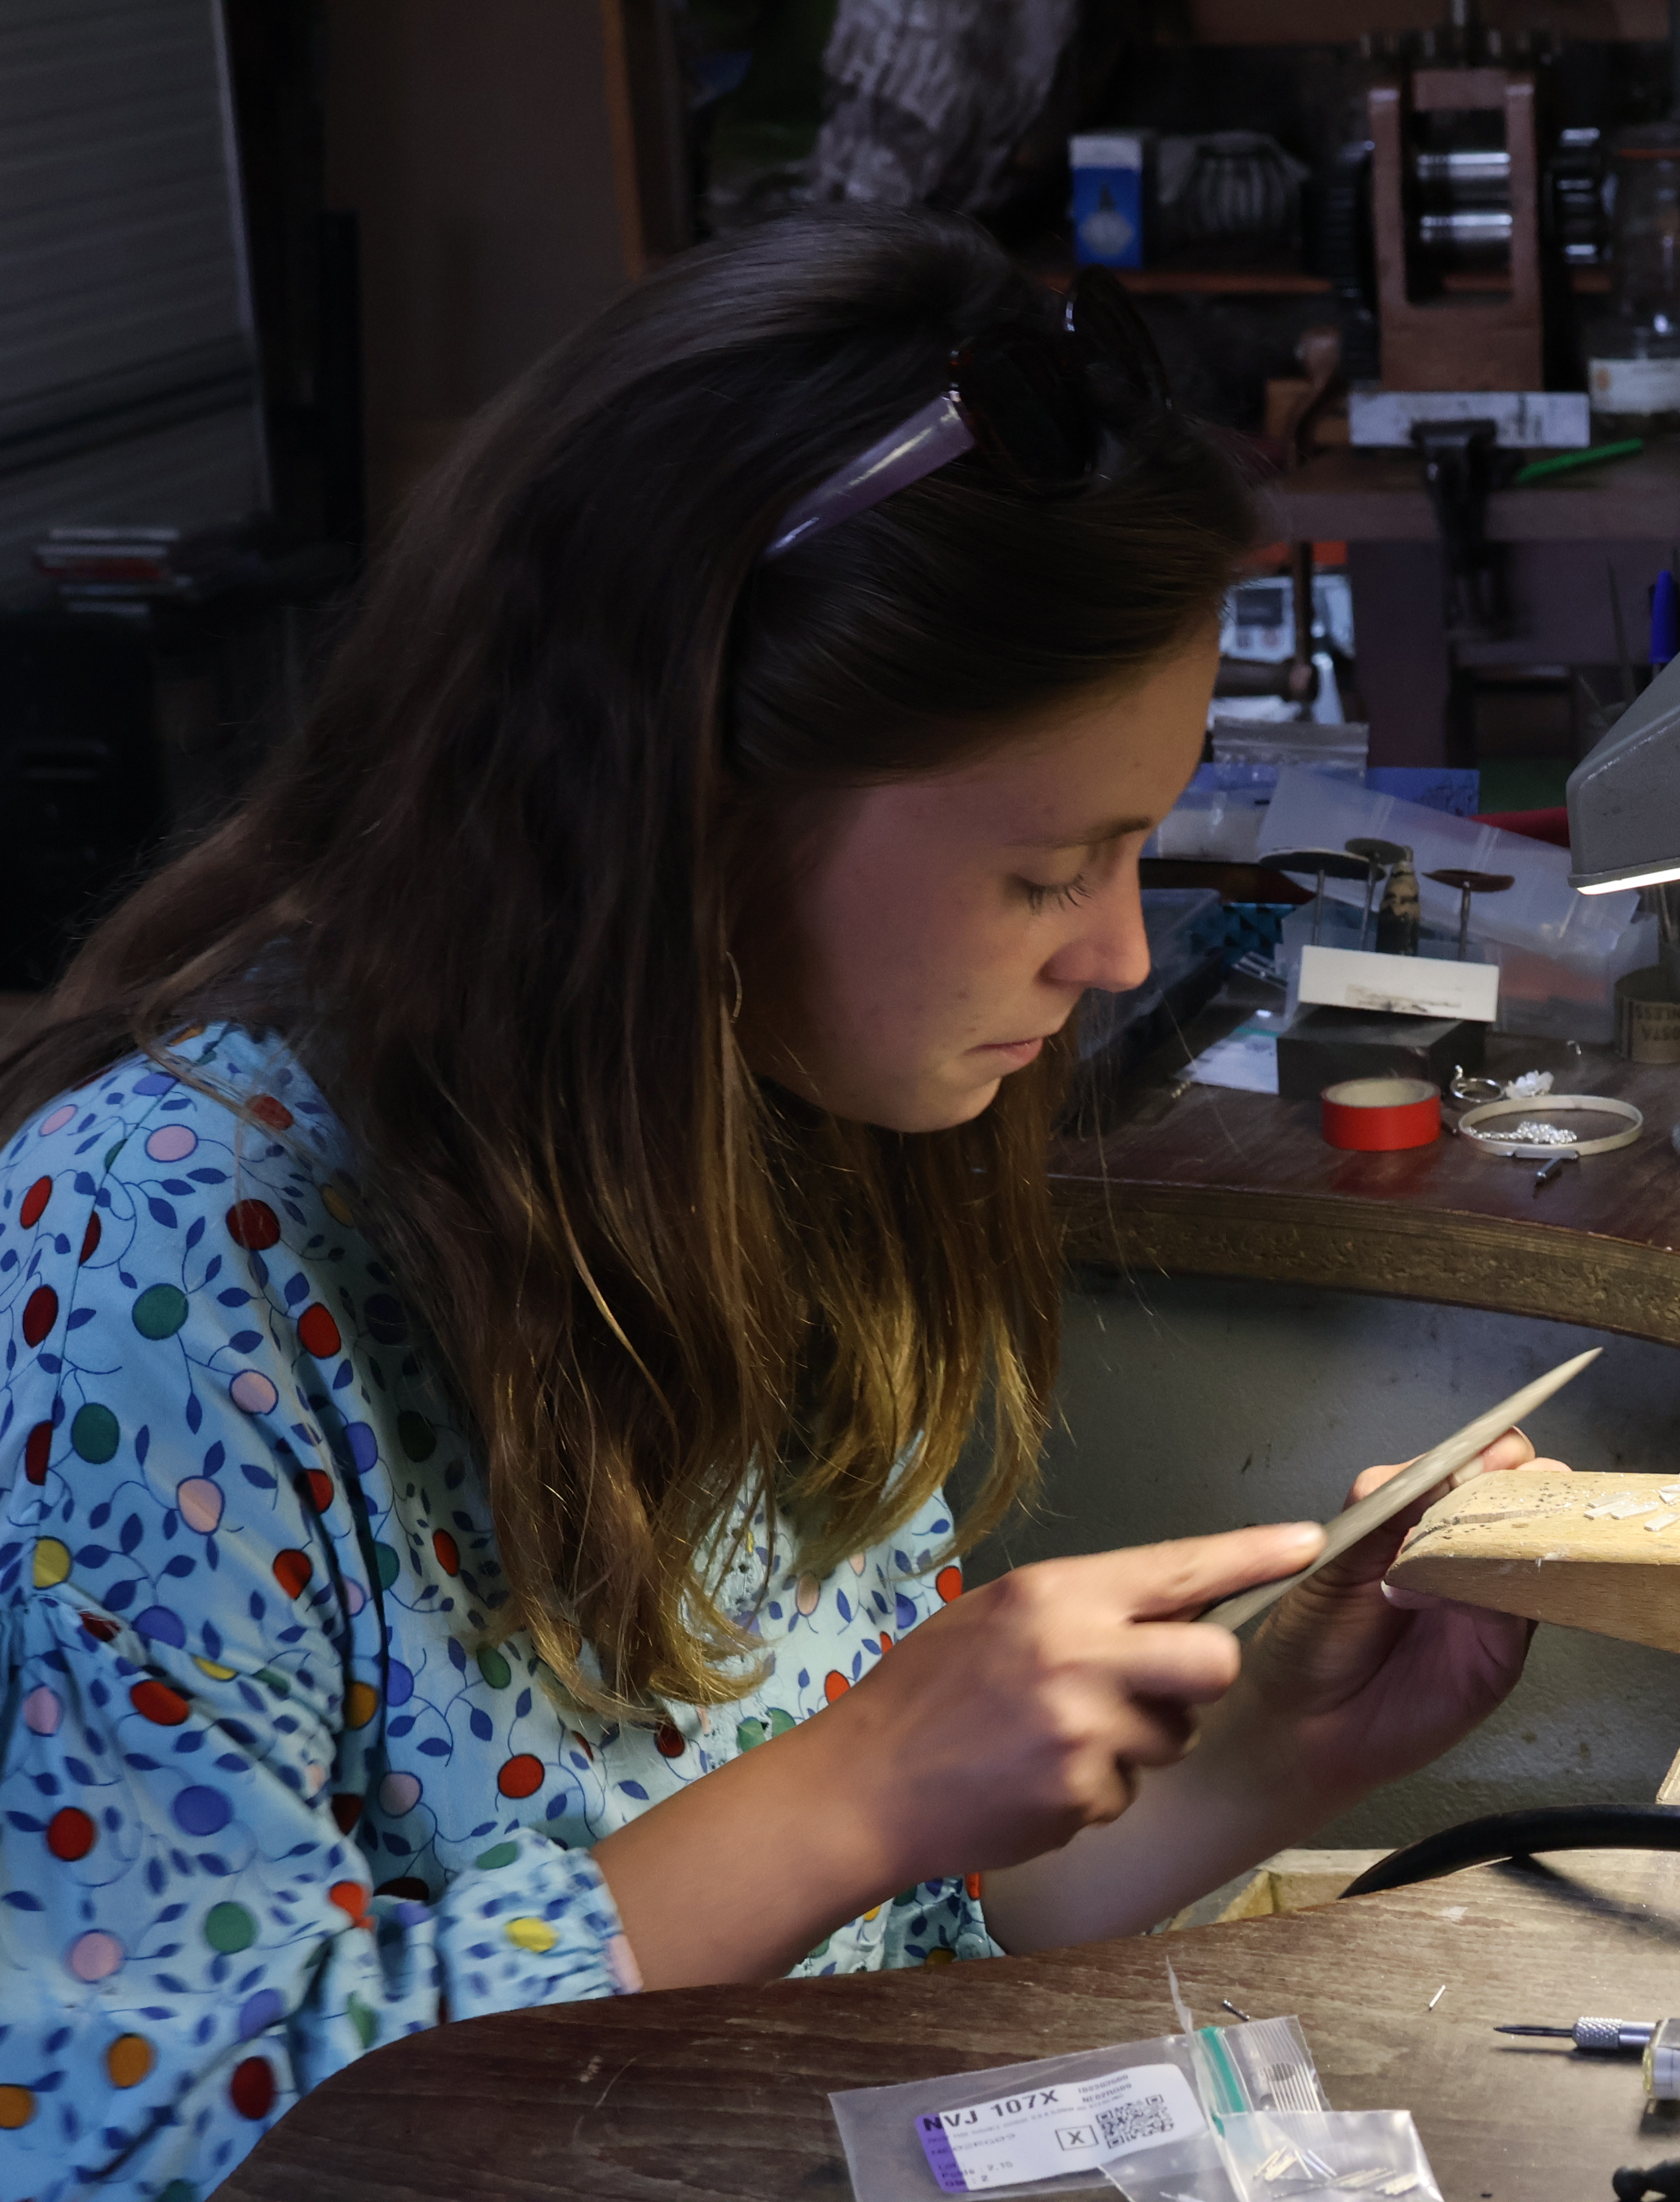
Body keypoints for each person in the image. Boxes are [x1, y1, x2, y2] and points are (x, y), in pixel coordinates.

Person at [0, 208, 1558, 2199]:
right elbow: (129, 2140)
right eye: (1046, 869)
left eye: (1137, 851)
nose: (1114, 953)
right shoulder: (153, 1262)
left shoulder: (759, 1112)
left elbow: (895, 1950)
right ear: (693, 815)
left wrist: (1274, 1755)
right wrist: (860, 1784)